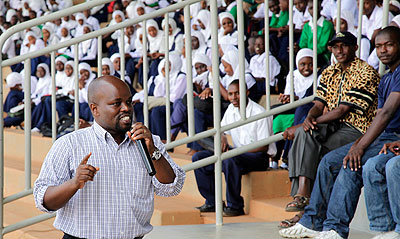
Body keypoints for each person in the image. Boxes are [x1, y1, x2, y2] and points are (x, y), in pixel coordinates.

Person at [279, 26, 400, 239]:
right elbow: (321, 103)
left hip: (375, 133)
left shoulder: (370, 72)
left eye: (389, 45)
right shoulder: (387, 77)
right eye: (379, 46)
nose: (383, 50)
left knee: (349, 162)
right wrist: (309, 118)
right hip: (379, 135)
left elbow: (385, 113)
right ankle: (317, 223)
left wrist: (359, 145)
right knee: (329, 159)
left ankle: (340, 226)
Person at [33, 75, 185, 239]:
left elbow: (172, 187)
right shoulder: (69, 144)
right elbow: (44, 201)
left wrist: (153, 152)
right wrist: (73, 183)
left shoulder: (148, 141)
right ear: (95, 109)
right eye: (116, 103)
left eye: (129, 102)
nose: (126, 108)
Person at [192, 80, 276, 217]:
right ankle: (213, 202)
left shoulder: (259, 112)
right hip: (237, 155)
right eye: (230, 94)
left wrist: (235, 152)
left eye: (237, 93)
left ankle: (235, 206)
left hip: (258, 157)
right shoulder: (231, 109)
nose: (233, 97)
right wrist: (223, 136)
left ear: (247, 92)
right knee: (198, 159)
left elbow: (263, 146)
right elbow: (221, 129)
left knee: (229, 158)